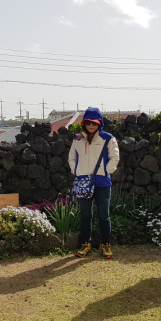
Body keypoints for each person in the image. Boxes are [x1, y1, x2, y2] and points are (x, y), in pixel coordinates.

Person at [68, 106, 119, 259]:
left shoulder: (108, 138)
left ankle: (106, 244)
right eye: (88, 122)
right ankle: (86, 244)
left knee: (104, 216)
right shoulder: (77, 140)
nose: (91, 125)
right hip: (83, 183)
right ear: (84, 123)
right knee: (85, 215)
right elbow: (72, 158)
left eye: (94, 123)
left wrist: (105, 171)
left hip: (102, 183)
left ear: (99, 123)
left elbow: (115, 158)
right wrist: (77, 171)